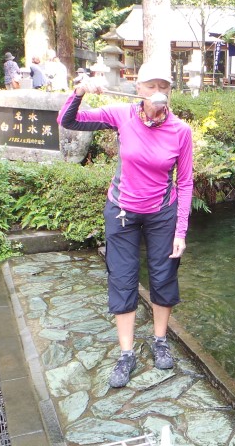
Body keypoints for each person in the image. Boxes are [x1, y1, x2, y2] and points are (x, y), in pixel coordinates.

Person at [57, 62, 193, 388]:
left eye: (165, 86)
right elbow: (69, 120)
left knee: (163, 276)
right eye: (151, 86)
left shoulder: (180, 131)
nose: (159, 91)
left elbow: (185, 182)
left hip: (162, 212)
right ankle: (127, 353)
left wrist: (181, 231)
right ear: (138, 89)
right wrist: (79, 92)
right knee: (122, 278)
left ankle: (160, 341)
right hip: (122, 211)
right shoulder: (122, 115)